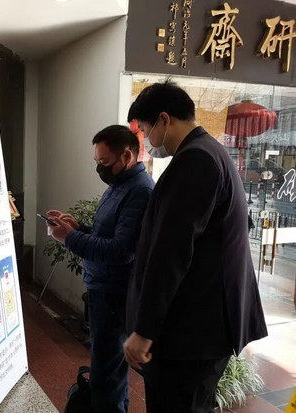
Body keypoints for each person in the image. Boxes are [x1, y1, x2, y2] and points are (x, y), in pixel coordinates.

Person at [123, 81, 268, 413]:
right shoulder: (211, 152)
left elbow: (171, 253)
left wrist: (144, 330)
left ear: (164, 119)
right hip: (200, 328)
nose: (147, 140)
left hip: (192, 333)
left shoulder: (196, 160)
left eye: (145, 129)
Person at [47, 125, 154, 413]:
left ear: (127, 156)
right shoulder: (119, 185)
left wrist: (69, 238)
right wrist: (77, 228)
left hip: (113, 294)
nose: (100, 168)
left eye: (104, 162)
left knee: (106, 375)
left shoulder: (140, 191)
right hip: (103, 289)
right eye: (97, 162)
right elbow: (106, 235)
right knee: (109, 371)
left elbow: (121, 252)